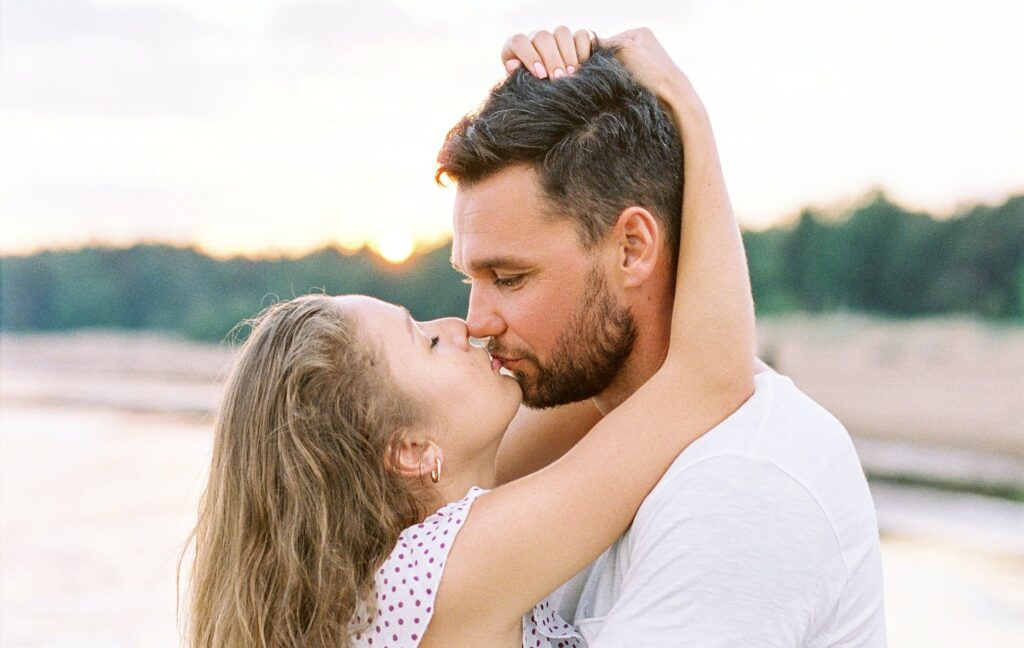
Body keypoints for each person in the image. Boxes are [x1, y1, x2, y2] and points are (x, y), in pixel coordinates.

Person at [183, 31, 755, 648]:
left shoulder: (402, 552)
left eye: (505, 278)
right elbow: (708, 378)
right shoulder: (452, 567)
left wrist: (538, 104)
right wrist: (684, 106)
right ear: (409, 451)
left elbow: (604, 376)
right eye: (425, 341)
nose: (464, 325)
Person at [439, 28, 887, 646]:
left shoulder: (741, 487)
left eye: (509, 278)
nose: (476, 321)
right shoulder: (585, 425)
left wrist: (681, 106)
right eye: (472, 277)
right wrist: (675, 105)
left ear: (633, 248)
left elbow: (709, 374)